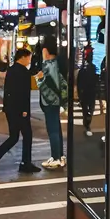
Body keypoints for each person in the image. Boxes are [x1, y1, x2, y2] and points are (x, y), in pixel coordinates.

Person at [0, 47, 39, 174]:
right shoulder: (23, 72)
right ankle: (25, 163)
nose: (29, 61)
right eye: (28, 58)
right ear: (23, 57)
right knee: (27, 135)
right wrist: (24, 110)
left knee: (14, 137)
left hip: (10, 109)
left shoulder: (12, 70)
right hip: (20, 110)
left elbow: (8, 91)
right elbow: (22, 93)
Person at [36, 35, 67, 169]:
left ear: (46, 51)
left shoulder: (48, 65)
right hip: (55, 101)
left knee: (52, 129)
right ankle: (60, 156)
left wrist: (39, 79)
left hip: (50, 101)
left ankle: (55, 157)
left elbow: (46, 84)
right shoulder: (57, 63)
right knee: (57, 129)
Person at [77, 47, 98, 135]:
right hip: (90, 91)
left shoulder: (84, 69)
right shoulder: (93, 68)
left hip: (86, 92)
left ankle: (87, 123)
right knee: (89, 108)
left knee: (86, 109)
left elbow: (79, 82)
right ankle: (87, 123)